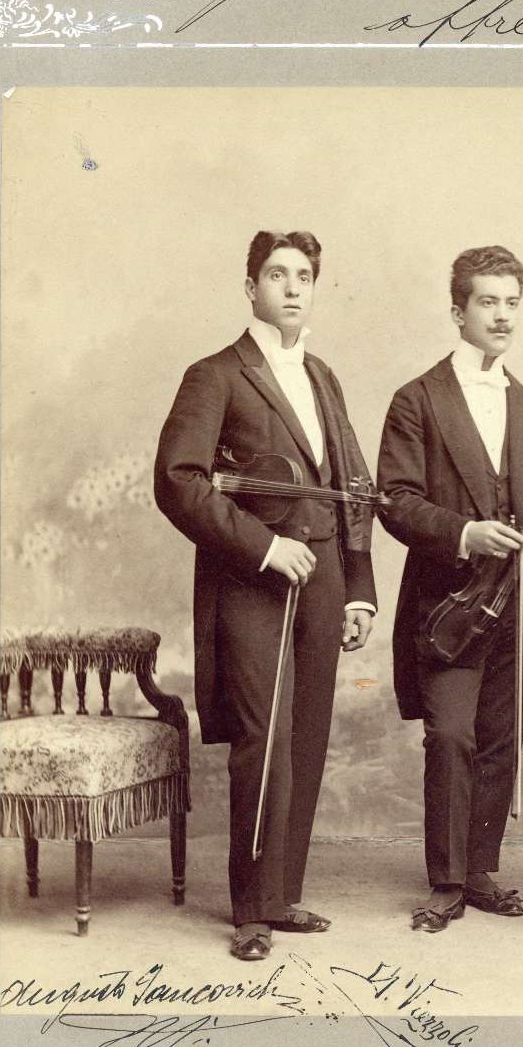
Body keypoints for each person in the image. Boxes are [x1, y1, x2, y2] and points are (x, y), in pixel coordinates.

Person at [153, 229, 377, 962]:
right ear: (251, 288)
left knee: (307, 736)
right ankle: (250, 910)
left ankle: (281, 896)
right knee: (265, 738)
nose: (291, 287)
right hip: (253, 580)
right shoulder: (214, 375)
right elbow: (178, 481)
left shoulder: (323, 376)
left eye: (303, 276)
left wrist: (359, 589)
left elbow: (352, 486)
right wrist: (263, 546)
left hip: (324, 578)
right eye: (277, 275)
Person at [377, 246, 523, 932]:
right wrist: (465, 532)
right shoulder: (418, 399)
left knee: (499, 734)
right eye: (488, 302)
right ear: (458, 310)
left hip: (521, 596)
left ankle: (479, 869)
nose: (502, 316)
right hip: (449, 601)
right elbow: (395, 500)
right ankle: (446, 879)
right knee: (451, 735)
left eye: (511, 303)